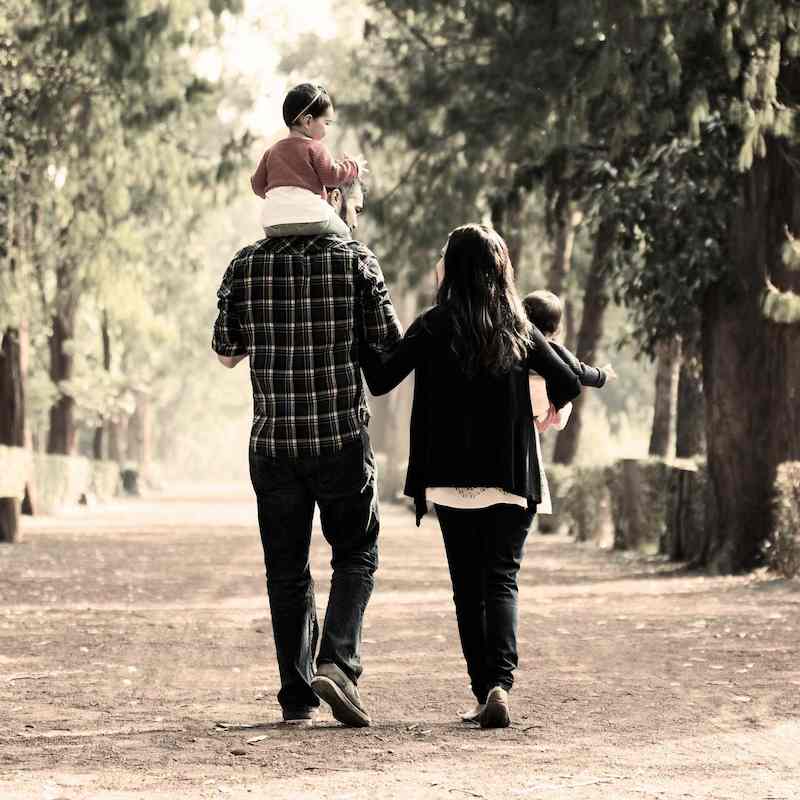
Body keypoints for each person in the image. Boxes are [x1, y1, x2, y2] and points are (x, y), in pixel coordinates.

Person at [360, 224, 581, 729]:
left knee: (467, 587)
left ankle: (484, 691)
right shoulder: (518, 326)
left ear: (454, 268)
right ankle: (500, 683)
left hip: (451, 477)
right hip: (510, 475)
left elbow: (381, 378)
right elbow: (569, 380)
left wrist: (360, 329)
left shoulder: (433, 324)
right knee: (501, 579)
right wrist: (543, 411)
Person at [212, 176, 401, 728]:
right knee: (356, 553)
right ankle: (337, 663)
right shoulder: (356, 261)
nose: (355, 216)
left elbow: (226, 351)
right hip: (340, 439)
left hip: (273, 445)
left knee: (286, 570)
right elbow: (389, 347)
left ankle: (296, 696)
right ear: (332, 198)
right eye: (353, 204)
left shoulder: (245, 263)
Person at [250, 83, 367, 238]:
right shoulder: (316, 148)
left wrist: (280, 198)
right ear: (308, 121)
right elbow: (332, 177)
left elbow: (257, 186)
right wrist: (354, 166)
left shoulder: (271, 152)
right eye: (326, 123)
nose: (327, 129)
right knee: (344, 233)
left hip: (272, 222)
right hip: (311, 217)